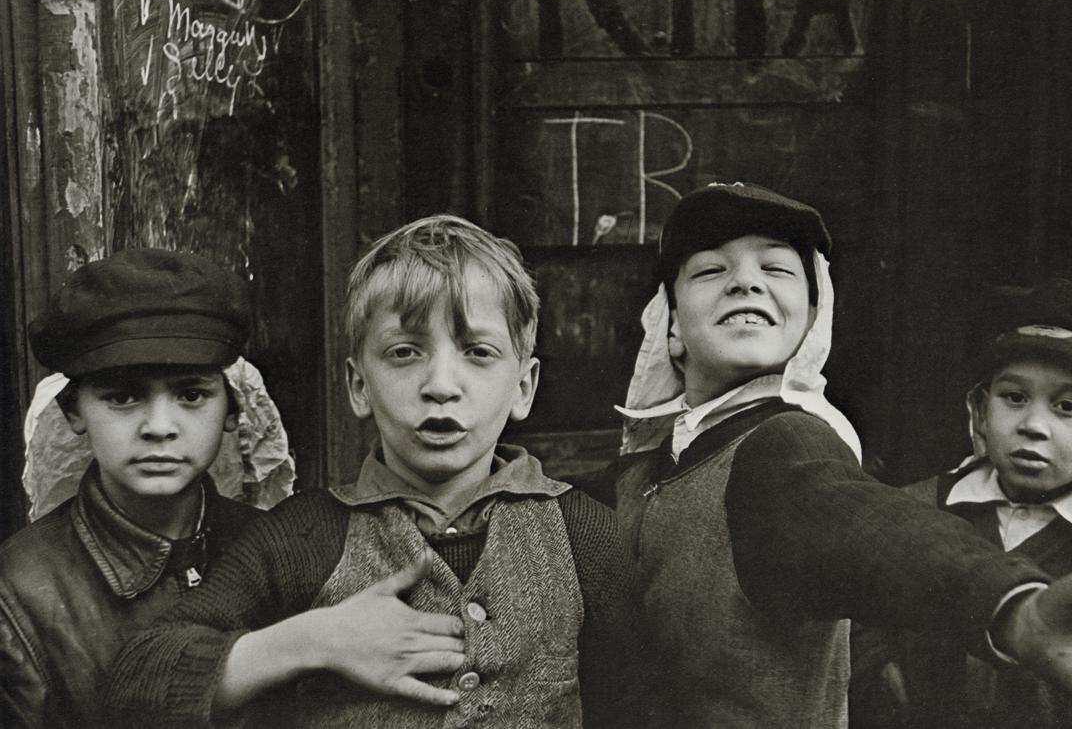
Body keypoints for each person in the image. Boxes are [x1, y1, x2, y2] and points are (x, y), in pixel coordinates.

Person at [104, 215, 638, 728]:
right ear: (360, 386)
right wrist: (310, 641)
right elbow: (135, 683)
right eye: (405, 352)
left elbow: (636, 707)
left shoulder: (585, 536)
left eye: (478, 352)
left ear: (523, 386)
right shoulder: (302, 538)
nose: (441, 385)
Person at [605, 182, 1072, 728]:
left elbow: (867, 525)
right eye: (709, 271)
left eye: (776, 269)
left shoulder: (785, 444)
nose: (745, 280)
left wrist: (1014, 609)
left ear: (812, 321)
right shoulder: (644, 468)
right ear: (671, 326)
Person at [0, 249, 265, 729]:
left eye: (191, 394)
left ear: (232, 410)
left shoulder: (279, 546)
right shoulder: (18, 592)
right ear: (74, 411)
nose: (159, 427)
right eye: (123, 396)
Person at [849, 278, 1072, 729]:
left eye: (1067, 406)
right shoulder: (914, 509)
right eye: (1014, 398)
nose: (1034, 426)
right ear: (981, 412)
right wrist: (876, 666)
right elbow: (853, 608)